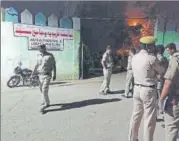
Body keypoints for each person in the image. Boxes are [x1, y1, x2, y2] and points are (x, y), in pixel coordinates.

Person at [128, 36, 166, 141]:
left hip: (136, 89)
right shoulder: (152, 58)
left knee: (135, 116)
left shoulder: (135, 57)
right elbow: (162, 71)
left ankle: (132, 138)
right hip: (148, 90)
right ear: (148, 46)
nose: (154, 47)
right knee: (149, 119)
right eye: (153, 45)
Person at [159, 51, 179, 141]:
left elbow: (167, 82)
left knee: (171, 128)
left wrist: (161, 99)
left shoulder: (176, 59)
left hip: (175, 99)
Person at [32, 44, 56, 114]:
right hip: (40, 75)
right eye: (39, 49)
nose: (40, 50)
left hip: (47, 75)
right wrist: (33, 73)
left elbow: (54, 65)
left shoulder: (50, 56)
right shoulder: (38, 56)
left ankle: (43, 106)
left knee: (44, 90)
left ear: (44, 48)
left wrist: (54, 75)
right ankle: (47, 102)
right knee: (41, 90)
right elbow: (36, 65)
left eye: (41, 48)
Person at [156, 45, 169, 118]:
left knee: (158, 96)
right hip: (164, 79)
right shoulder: (165, 59)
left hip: (157, 80)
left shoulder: (156, 59)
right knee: (163, 95)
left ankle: (160, 110)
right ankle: (162, 109)